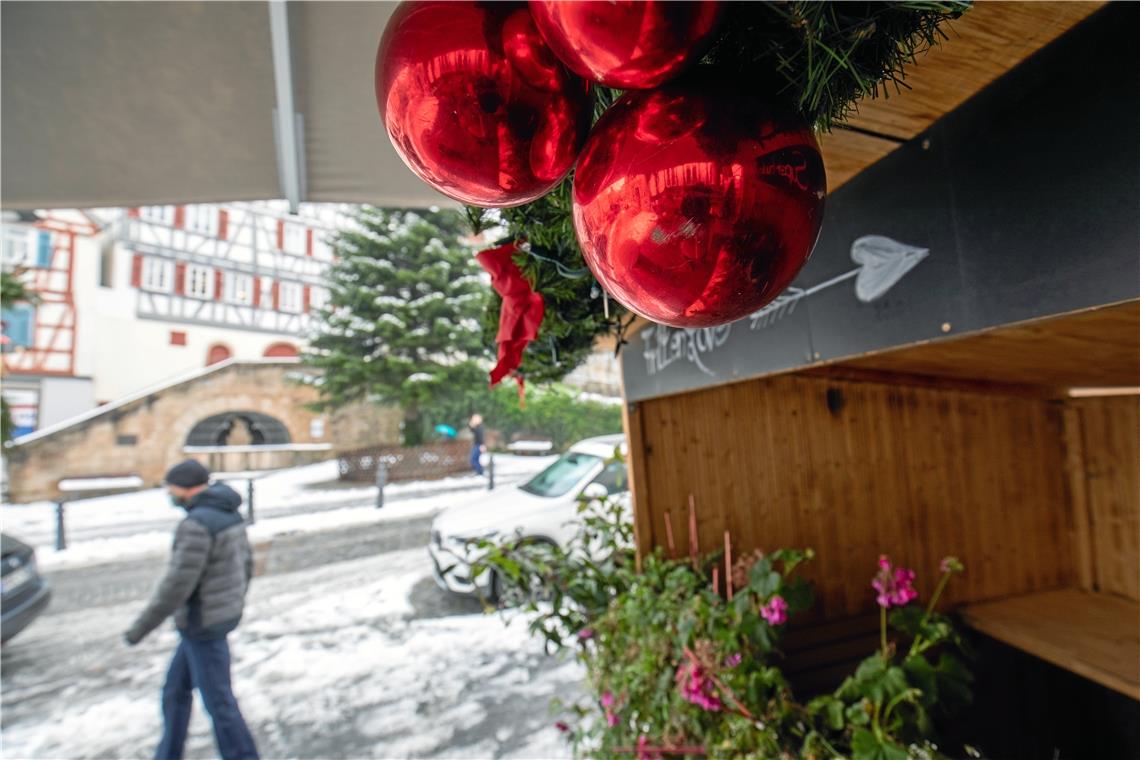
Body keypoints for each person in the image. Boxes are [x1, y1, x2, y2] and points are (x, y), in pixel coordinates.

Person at [124, 459, 259, 760]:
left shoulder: (197, 525)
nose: (169, 493)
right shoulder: (228, 514)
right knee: (175, 693)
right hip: (211, 620)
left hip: (203, 624)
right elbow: (247, 566)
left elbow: (176, 586)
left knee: (220, 703)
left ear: (184, 488)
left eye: (170, 487)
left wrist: (140, 629)